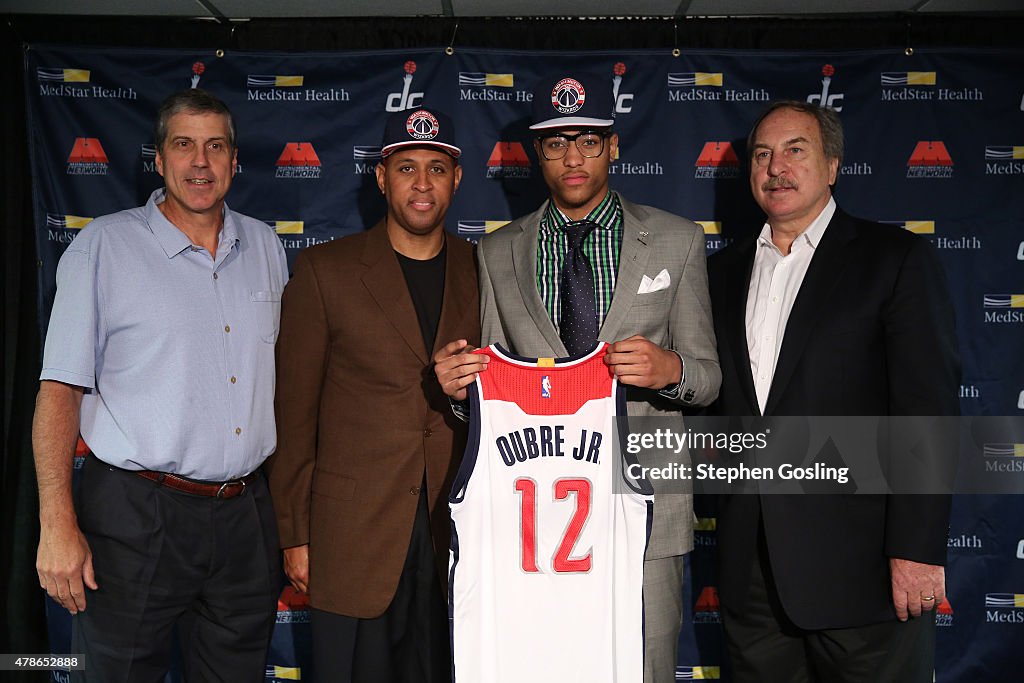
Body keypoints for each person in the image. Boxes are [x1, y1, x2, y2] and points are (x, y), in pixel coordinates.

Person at [434, 72, 721, 683]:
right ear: (537, 154)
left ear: (614, 146)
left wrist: (669, 370)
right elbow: (492, 393)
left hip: (647, 511)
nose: (573, 157)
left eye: (588, 141)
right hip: (536, 524)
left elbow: (709, 379)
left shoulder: (676, 240)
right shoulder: (498, 251)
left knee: (642, 670)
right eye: (557, 142)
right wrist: (462, 393)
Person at [33, 88, 288, 682]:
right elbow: (59, 392)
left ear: (233, 159)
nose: (200, 162)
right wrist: (56, 525)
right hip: (135, 513)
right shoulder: (103, 246)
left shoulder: (268, 248)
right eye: (184, 145)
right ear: (158, 157)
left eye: (215, 146)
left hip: (244, 514)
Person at [708, 100, 960, 682]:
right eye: (763, 155)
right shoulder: (719, 274)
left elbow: (928, 411)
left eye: (796, 150)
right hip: (753, 579)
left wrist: (918, 549)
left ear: (833, 166)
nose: (777, 167)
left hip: (866, 575)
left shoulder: (893, 259)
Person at [265, 107, 479, 683]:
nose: (423, 183)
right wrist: (297, 535)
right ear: (381, 178)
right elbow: (294, 413)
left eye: (437, 168)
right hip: (351, 534)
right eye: (406, 167)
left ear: (457, 179)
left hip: (454, 532)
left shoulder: (483, 270)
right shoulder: (323, 271)